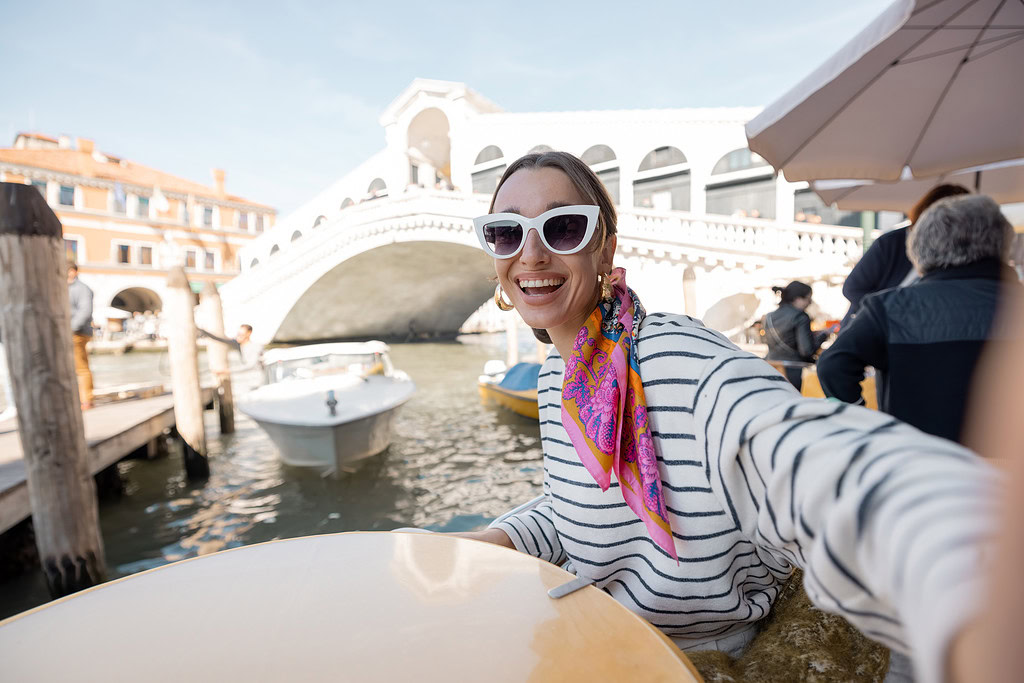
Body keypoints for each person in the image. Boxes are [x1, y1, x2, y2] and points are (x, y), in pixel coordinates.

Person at [455, 151, 999, 683]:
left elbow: (787, 453)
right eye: (506, 232)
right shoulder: (557, 378)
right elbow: (579, 504)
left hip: (704, 661)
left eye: (563, 227)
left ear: (604, 251)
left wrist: (956, 538)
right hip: (606, 642)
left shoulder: (686, 358)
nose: (530, 255)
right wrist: (496, 539)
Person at [817, 195, 1018, 443]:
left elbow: (833, 364)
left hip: (917, 462)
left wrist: (866, 428)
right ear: (1002, 242)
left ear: (921, 246)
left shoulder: (890, 307)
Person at [841, 184, 970, 324]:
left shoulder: (956, 253)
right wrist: (891, 314)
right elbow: (852, 288)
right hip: (871, 329)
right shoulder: (891, 243)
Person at [762, 281, 833, 391]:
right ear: (797, 298)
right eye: (808, 299)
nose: (810, 303)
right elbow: (806, 351)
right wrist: (824, 335)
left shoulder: (769, 317)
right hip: (794, 372)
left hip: (771, 368)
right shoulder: (800, 317)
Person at [67, 261, 95, 410]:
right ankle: (76, 397)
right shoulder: (65, 287)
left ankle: (86, 399)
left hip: (77, 333)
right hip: (67, 332)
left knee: (81, 367)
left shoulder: (82, 289)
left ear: (73, 271)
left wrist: (70, 329)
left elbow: (85, 311)